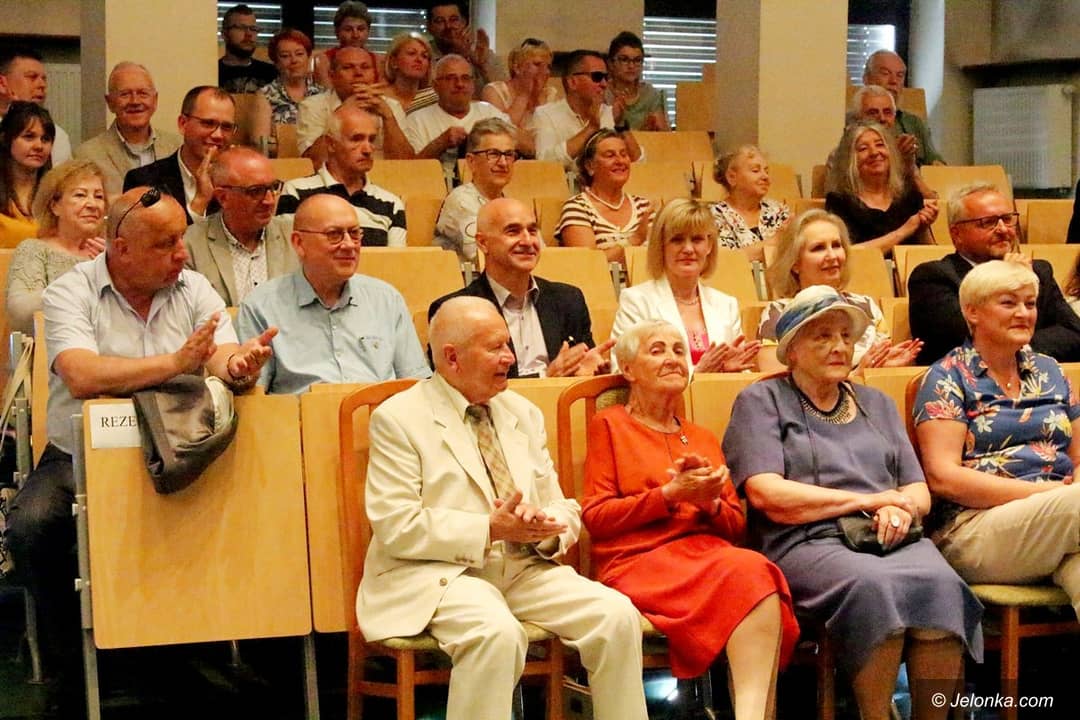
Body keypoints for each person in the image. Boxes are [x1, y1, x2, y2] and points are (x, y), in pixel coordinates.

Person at [3, 186, 275, 717]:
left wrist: (238, 367)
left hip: (181, 447)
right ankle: (71, 667)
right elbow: (82, 375)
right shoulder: (71, 291)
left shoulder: (194, 287)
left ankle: (188, 656)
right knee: (31, 527)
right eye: (165, 244)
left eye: (182, 240)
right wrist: (175, 364)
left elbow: (221, 355)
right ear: (121, 248)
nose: (181, 254)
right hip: (79, 454)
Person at [359, 294, 648, 720]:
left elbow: (562, 505)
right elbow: (396, 525)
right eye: (495, 348)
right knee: (495, 632)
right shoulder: (398, 418)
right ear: (452, 358)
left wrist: (545, 527)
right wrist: (490, 529)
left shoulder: (522, 412)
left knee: (617, 615)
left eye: (508, 345)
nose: (509, 358)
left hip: (523, 566)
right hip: (438, 574)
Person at [723, 285, 983, 720]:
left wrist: (899, 508)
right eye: (823, 336)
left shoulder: (877, 403)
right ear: (792, 350)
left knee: (941, 584)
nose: (839, 346)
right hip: (804, 540)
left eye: (845, 336)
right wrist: (870, 500)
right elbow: (767, 494)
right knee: (873, 587)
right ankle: (875, 714)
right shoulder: (761, 401)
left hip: (889, 534)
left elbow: (918, 490)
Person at [583, 319, 799, 720]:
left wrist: (709, 502)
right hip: (637, 561)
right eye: (657, 350)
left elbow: (735, 527)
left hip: (707, 557)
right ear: (628, 369)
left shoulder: (701, 437)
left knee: (756, 571)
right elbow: (596, 517)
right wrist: (668, 496)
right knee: (750, 575)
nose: (672, 359)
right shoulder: (609, 425)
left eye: (679, 350)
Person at [914, 260, 1080, 619]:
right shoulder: (947, 377)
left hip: (1060, 519)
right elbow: (943, 478)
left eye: (1030, 303)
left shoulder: (1051, 371)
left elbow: (1079, 457)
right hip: (974, 528)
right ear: (972, 312)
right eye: (1008, 303)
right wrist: (1047, 495)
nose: (1023, 313)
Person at [238, 193, 429, 394]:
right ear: (299, 243)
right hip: (301, 412)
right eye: (334, 235)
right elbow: (254, 398)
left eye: (354, 234)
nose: (349, 245)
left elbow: (416, 385)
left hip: (380, 412)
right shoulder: (261, 307)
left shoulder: (386, 300)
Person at [429, 198, 612, 378]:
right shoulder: (454, 312)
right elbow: (463, 385)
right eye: (513, 231)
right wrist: (546, 378)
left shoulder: (568, 300)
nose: (527, 241)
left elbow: (583, 364)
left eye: (532, 231)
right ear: (483, 243)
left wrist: (594, 374)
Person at [909, 182, 1080, 365]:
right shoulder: (933, 278)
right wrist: (1010, 283)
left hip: (1038, 378)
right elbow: (972, 340)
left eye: (1007, 219)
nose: (1003, 229)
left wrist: (1020, 349)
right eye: (988, 222)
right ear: (956, 234)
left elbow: (1074, 334)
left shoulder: (1038, 272)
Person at [757, 209, 922, 374]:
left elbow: (879, 369)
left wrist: (886, 368)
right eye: (818, 248)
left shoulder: (866, 306)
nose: (832, 255)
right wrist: (856, 375)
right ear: (795, 263)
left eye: (836, 245)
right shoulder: (778, 313)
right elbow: (774, 378)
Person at [611, 199, 757, 374]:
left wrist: (730, 372)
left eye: (697, 239)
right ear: (661, 246)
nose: (688, 249)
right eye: (677, 240)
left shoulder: (727, 305)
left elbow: (740, 372)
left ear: (709, 246)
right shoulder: (636, 301)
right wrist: (697, 374)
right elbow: (622, 370)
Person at [279, 105, 407, 247]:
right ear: (331, 144)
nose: (367, 149)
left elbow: (395, 259)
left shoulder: (391, 204)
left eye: (371, 140)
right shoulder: (295, 192)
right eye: (356, 139)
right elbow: (287, 254)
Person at [183, 147, 296, 306]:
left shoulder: (296, 234)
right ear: (223, 197)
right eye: (255, 191)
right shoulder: (190, 246)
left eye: (273, 187)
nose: (269, 201)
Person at [6, 160, 106, 334]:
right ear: (55, 206)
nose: (92, 204)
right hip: (51, 347)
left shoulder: (111, 255)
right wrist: (85, 281)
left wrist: (115, 269)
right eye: (80, 195)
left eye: (99, 196)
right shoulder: (35, 250)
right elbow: (21, 313)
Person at [124, 86, 236, 224]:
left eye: (226, 127)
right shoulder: (144, 181)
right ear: (183, 124)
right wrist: (200, 201)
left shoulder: (237, 183)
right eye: (208, 123)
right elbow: (147, 236)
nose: (218, 135)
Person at [73, 62, 182, 199]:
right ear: (110, 102)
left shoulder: (178, 147)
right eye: (125, 94)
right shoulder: (87, 156)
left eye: (143, 93)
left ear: (155, 100)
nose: (135, 101)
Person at [825, 121, 938, 250]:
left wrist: (923, 227)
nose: (874, 152)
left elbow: (930, 253)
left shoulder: (910, 196)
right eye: (863, 148)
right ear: (849, 159)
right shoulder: (839, 202)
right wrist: (906, 229)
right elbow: (847, 253)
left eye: (880, 145)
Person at [297, 46, 412, 167]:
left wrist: (388, 117)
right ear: (332, 76)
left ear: (375, 73)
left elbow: (407, 165)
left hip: (384, 175)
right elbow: (314, 162)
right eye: (348, 67)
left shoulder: (391, 106)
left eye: (365, 67)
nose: (358, 73)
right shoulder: (312, 106)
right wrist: (343, 111)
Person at [403, 54, 511, 180]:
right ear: (435, 86)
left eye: (465, 78)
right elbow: (410, 171)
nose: (459, 84)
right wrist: (440, 143)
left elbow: (522, 146)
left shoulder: (489, 112)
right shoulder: (416, 120)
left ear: (473, 84)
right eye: (450, 78)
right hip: (434, 186)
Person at [532, 49, 643, 171]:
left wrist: (621, 126)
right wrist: (591, 129)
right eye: (597, 77)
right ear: (572, 82)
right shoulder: (546, 114)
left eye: (606, 77)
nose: (604, 84)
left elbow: (640, 163)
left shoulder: (610, 113)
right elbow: (545, 163)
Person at [555, 128, 652, 266]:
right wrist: (634, 240)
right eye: (610, 155)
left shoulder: (644, 207)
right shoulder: (577, 208)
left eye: (624, 154)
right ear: (590, 166)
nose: (620, 161)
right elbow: (588, 265)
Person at [435, 118, 516, 262]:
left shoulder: (512, 205)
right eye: (493, 154)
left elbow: (541, 253)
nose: (503, 163)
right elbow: (483, 256)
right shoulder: (461, 201)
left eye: (509, 154)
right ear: (471, 161)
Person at [862, 49, 945, 167]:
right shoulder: (850, 122)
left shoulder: (914, 123)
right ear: (866, 79)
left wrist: (938, 167)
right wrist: (896, 156)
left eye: (900, 75)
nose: (893, 81)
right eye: (885, 73)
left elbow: (935, 162)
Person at [710, 145, 790, 262]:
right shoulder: (713, 216)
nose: (765, 177)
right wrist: (774, 241)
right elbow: (726, 261)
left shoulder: (779, 211)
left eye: (766, 171)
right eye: (755, 171)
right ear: (732, 177)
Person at [481, 38, 557, 155]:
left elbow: (554, 140)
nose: (545, 72)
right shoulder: (494, 91)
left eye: (548, 67)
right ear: (517, 68)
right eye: (537, 64)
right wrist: (524, 95)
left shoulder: (550, 94)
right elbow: (499, 132)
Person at [250, 29, 326, 145]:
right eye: (285, 56)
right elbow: (261, 143)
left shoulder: (323, 94)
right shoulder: (265, 95)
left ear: (308, 57)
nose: (294, 60)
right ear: (276, 63)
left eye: (299, 54)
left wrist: (281, 139)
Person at [0, 46, 71, 165]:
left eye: (44, 79)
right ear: (2, 83)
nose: (42, 85)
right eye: (32, 77)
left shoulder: (57, 135)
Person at [425, 1, 507, 97]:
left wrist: (482, 67)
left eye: (454, 20)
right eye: (440, 21)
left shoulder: (481, 54)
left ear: (464, 22)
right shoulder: (423, 56)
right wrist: (460, 57)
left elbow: (505, 95)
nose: (448, 26)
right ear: (429, 27)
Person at [0, 102, 54, 248]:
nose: (39, 146)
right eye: (29, 137)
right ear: (6, 139)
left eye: (45, 139)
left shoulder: (58, 193)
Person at [605, 31, 669, 131]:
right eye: (624, 59)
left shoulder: (650, 94)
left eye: (637, 60)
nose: (631, 66)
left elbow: (664, 134)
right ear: (611, 63)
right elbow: (598, 134)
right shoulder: (601, 92)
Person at [313, 2, 375, 89]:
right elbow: (328, 93)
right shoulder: (324, 60)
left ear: (368, 31)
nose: (355, 35)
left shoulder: (377, 61)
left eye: (361, 29)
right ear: (337, 32)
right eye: (348, 29)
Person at [217, 3, 277, 93]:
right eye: (241, 28)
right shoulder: (213, 72)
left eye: (253, 29)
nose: (249, 34)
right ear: (225, 35)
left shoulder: (272, 73)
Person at [381, 32, 438, 124]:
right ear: (394, 62)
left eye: (424, 56)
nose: (419, 60)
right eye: (412, 53)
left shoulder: (434, 99)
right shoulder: (379, 99)